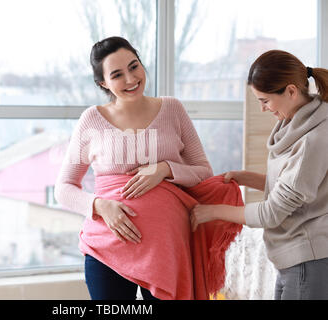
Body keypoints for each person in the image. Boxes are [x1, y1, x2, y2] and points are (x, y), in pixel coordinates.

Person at [55, 36, 242, 300]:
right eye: (117, 75)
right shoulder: (91, 120)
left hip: (167, 250)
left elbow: (203, 171)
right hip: (107, 248)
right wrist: (100, 206)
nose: (131, 79)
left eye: (134, 66)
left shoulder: (172, 109)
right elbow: (63, 189)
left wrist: (165, 169)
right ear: (103, 83)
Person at [190, 49, 328, 300]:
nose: (263, 109)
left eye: (265, 100)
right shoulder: (294, 124)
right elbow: (294, 188)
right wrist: (246, 177)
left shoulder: (313, 139)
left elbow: (272, 212)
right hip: (292, 259)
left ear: (291, 91)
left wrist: (212, 211)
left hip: (308, 260)